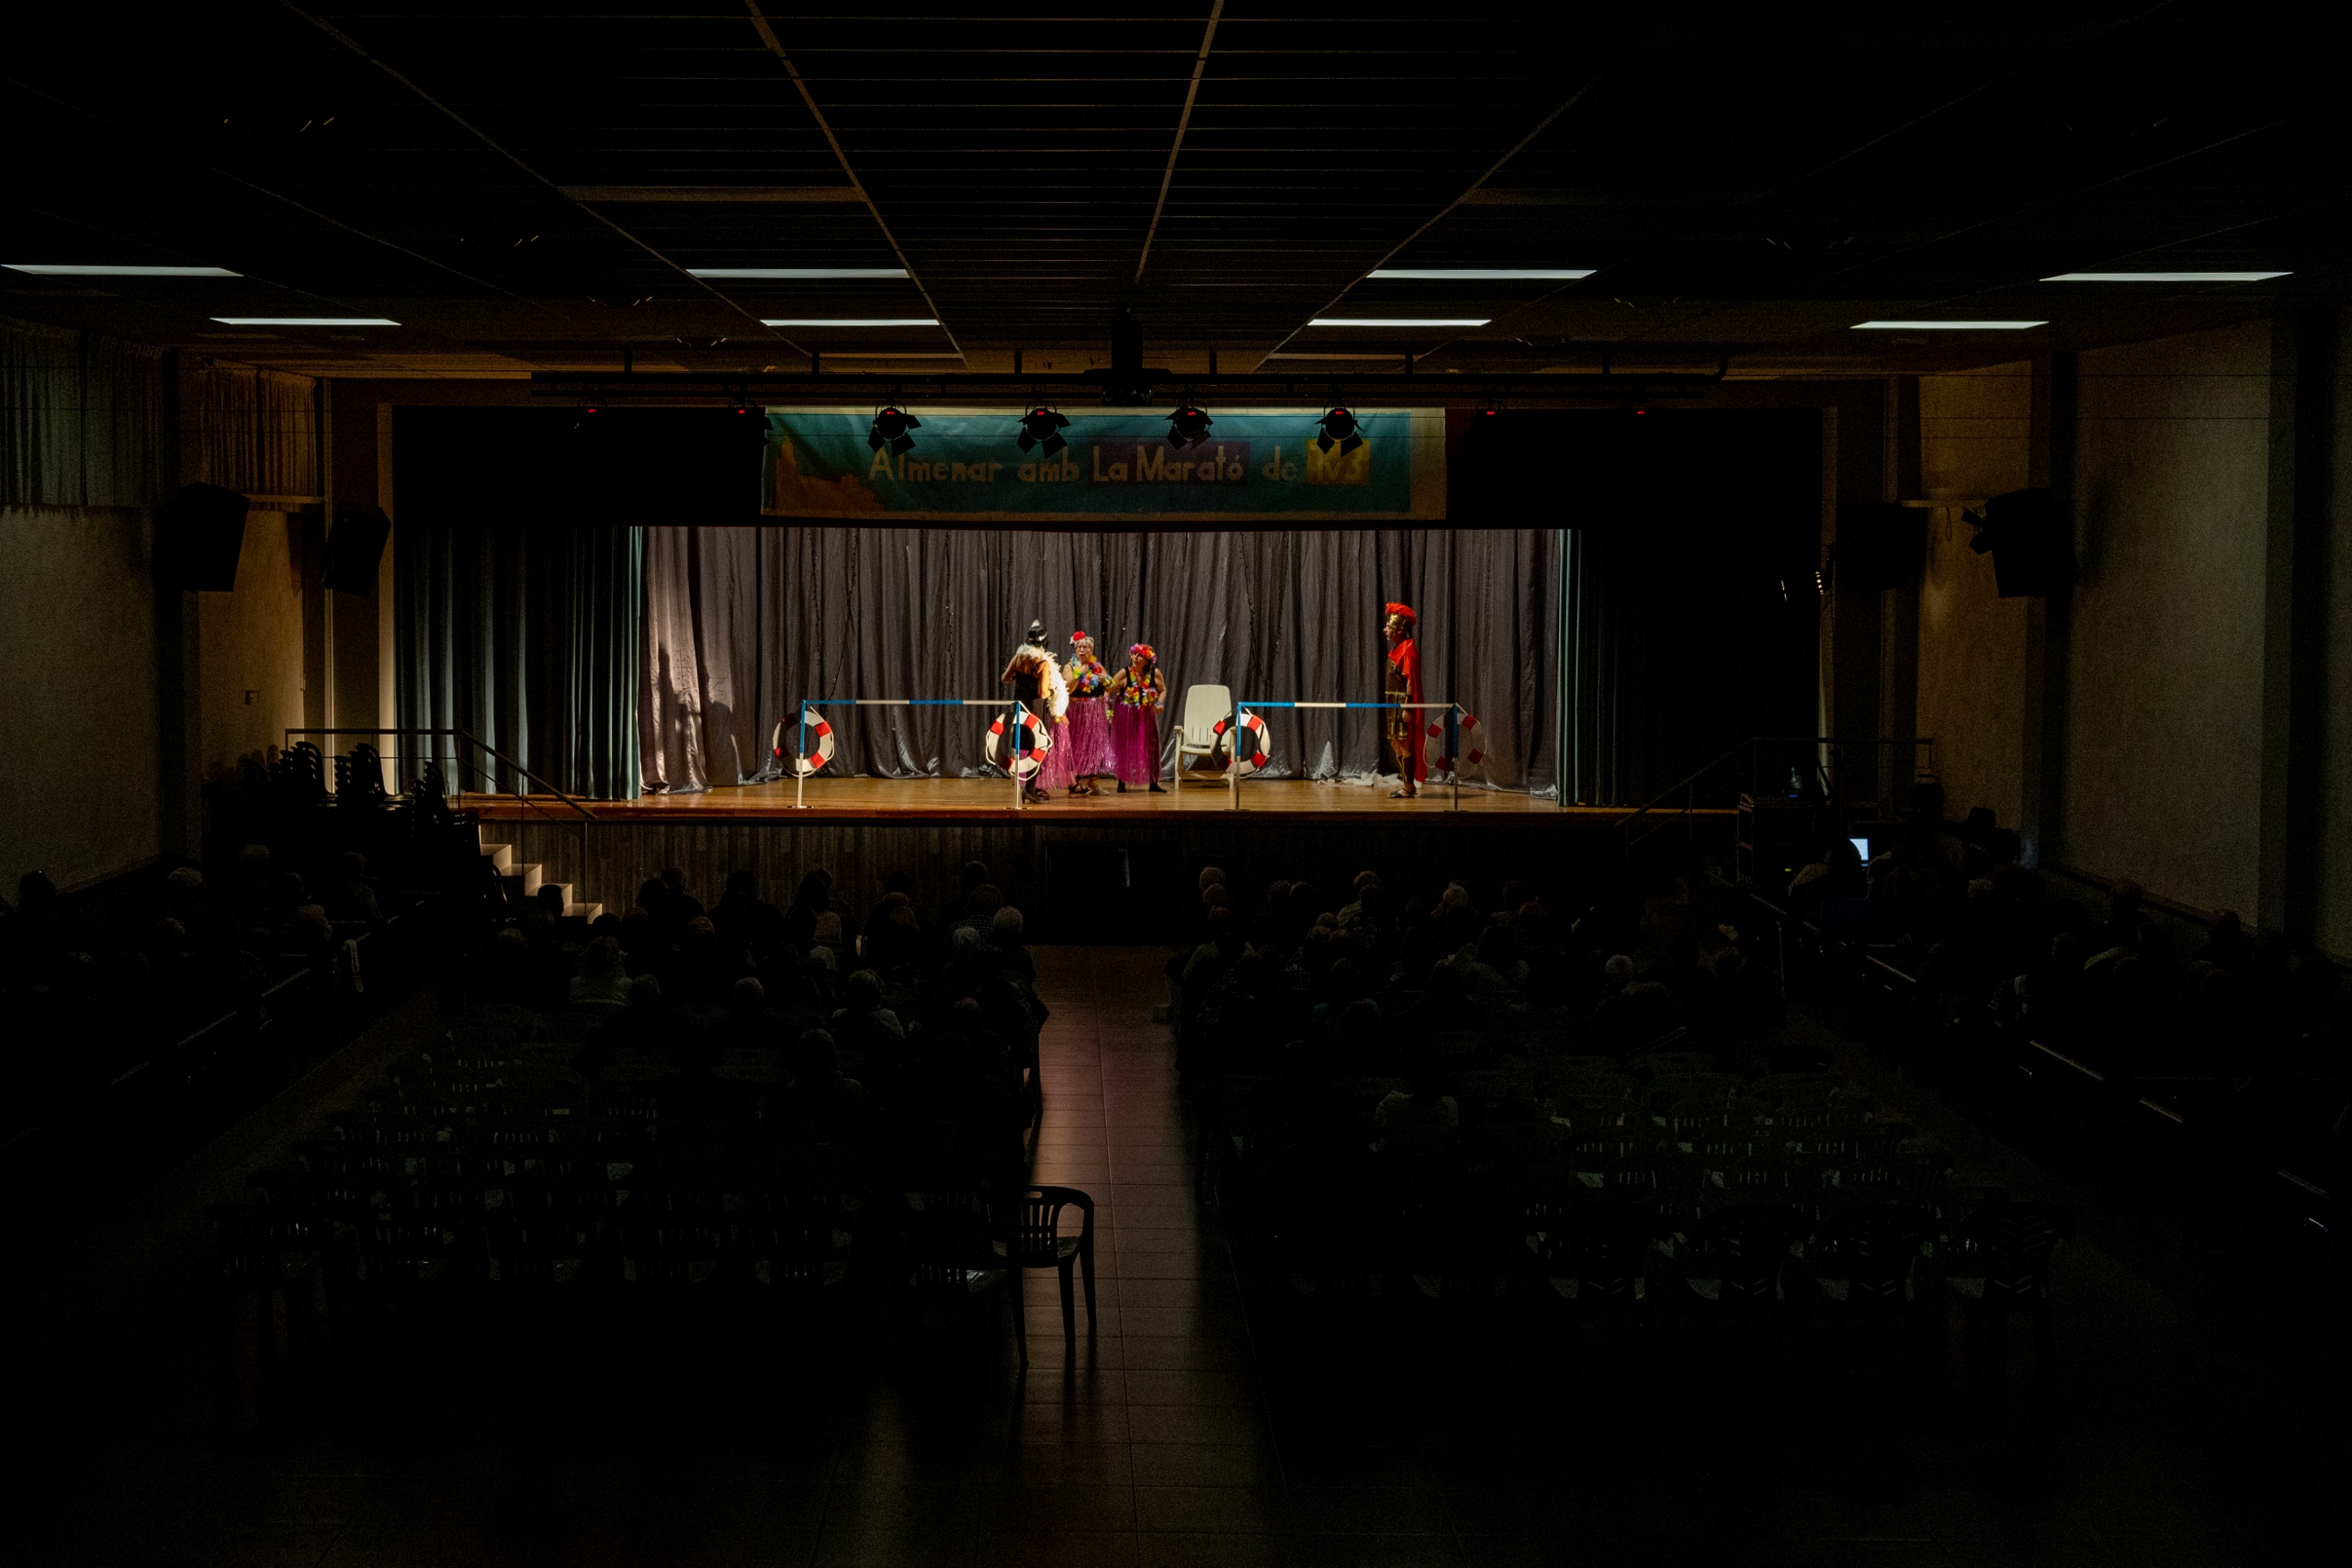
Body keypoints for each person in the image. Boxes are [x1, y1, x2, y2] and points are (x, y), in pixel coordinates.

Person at [1000, 617, 1068, 805]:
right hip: (1035, 709)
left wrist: (1019, 677)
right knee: (1038, 747)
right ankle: (1030, 789)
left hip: (1020, 706)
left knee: (1027, 746)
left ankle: (1030, 787)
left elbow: (1005, 678)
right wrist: (1054, 690)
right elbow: (1042, 693)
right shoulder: (1042, 664)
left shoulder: (1018, 658)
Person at [1105, 641, 1168, 793]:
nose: (1135, 658)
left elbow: (1163, 690)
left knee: (1151, 746)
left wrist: (1160, 703)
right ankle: (1121, 782)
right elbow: (1108, 691)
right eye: (1134, 654)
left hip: (1146, 713)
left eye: (1140, 656)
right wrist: (1108, 711)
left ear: (1147, 660)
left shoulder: (1155, 674)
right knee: (1125, 747)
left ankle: (1153, 783)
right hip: (1126, 713)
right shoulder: (1124, 673)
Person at [1060, 630, 1116, 796]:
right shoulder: (1069, 667)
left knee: (1095, 747)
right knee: (1077, 746)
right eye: (1079, 647)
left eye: (1085, 647)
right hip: (1076, 711)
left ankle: (1093, 783)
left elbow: (1111, 685)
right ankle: (1074, 783)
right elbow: (1067, 688)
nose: (1082, 650)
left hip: (1095, 712)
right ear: (1075, 649)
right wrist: (1080, 673)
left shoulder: (1097, 665)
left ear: (1091, 650)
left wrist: (1105, 681)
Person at [1382, 602, 1424, 799]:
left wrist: (1407, 707)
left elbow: (1410, 682)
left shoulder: (1407, 650)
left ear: (1399, 630)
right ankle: (1406, 784)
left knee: (1405, 744)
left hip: (1401, 705)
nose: (1385, 630)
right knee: (1396, 744)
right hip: (1392, 704)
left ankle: (1408, 786)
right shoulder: (1398, 649)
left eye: (1389, 627)